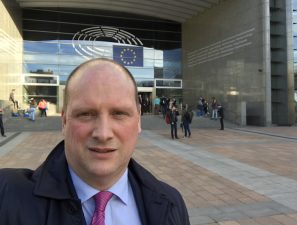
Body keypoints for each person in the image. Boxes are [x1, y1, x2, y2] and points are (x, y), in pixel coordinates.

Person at [0, 58, 190, 225]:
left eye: (119, 114)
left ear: (138, 120)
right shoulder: (6, 196)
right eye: (86, 114)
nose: (103, 133)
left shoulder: (172, 204)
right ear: (64, 121)